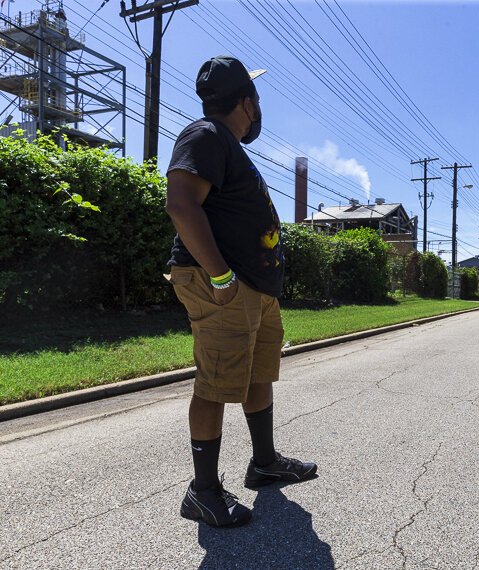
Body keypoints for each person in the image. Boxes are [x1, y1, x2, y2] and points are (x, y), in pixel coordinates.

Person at [164, 56, 316, 528]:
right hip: (224, 286)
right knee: (216, 383)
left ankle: (264, 463)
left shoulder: (226, 145)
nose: (259, 108)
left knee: (255, 375)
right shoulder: (205, 134)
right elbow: (181, 204)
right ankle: (202, 492)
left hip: (254, 289)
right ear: (247, 102)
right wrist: (221, 276)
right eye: (258, 99)